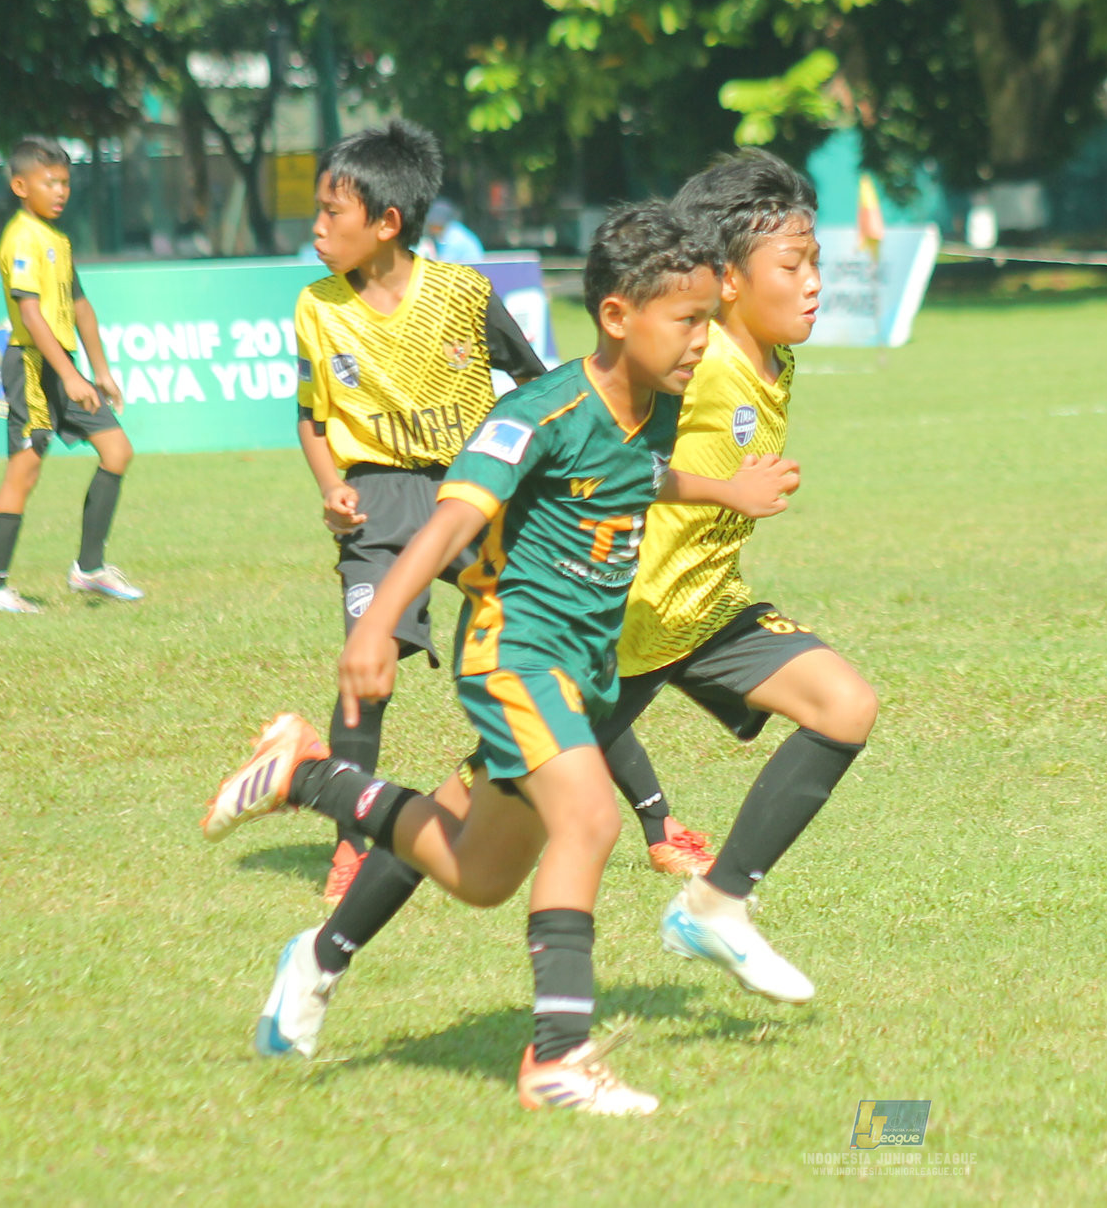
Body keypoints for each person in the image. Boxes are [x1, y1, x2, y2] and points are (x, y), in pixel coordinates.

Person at [201, 202, 799, 1116]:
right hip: (515, 649)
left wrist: (729, 489)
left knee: (479, 874)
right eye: (686, 321)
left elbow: (635, 478)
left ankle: (308, 777)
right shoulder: (540, 410)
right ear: (615, 317)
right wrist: (373, 629)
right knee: (591, 822)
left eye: (707, 321)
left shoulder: (663, 402)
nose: (699, 340)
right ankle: (558, 1057)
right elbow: (449, 519)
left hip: (584, 664)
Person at [595, 150, 878, 1007]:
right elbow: (599, 466)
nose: (815, 283)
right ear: (723, 281)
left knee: (845, 704)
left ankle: (716, 901)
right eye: (793, 266)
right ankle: (309, 783)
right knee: (470, 847)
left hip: (704, 612)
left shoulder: (773, 359)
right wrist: (729, 489)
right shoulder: (695, 357)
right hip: (617, 621)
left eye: (816, 262)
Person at [291, 118, 546, 905]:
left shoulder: (464, 293)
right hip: (377, 500)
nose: (317, 228)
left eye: (332, 214)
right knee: (364, 672)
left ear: (387, 222)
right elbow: (308, 414)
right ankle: (350, 841)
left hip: (467, 492)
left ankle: (655, 822)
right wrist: (331, 481)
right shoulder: (316, 306)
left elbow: (535, 380)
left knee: (541, 647)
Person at [0, 137, 141, 612]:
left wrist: (100, 371)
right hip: (32, 364)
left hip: (64, 365)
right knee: (24, 471)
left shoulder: (58, 240)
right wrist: (70, 375)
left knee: (117, 450)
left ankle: (89, 570)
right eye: (50, 182)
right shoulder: (22, 237)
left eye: (66, 182)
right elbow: (30, 315)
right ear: (20, 186)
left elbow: (80, 306)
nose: (61, 191)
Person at [421, 199, 486, 263]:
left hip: (473, 270)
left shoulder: (455, 238)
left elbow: (445, 265)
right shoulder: (446, 233)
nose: (429, 227)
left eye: (431, 222)